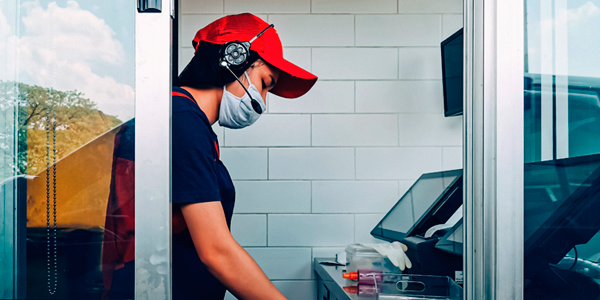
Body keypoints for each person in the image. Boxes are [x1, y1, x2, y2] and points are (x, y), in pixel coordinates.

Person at [102, 13, 318, 300]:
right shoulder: (181, 120)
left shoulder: (182, 119)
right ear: (233, 58)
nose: (262, 102)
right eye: (265, 84)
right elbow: (216, 251)